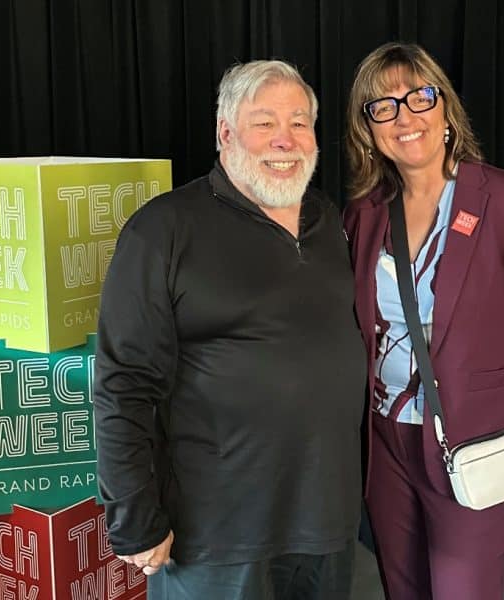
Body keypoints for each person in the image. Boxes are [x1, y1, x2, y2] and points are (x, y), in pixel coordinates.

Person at [94, 60, 367, 600]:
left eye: (299, 123)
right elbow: (124, 384)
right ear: (226, 132)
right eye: (265, 123)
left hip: (326, 522)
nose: (285, 140)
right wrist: (133, 516)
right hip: (216, 535)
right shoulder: (163, 230)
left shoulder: (328, 220)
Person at [343, 42, 504, 599]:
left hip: (475, 439)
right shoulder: (364, 213)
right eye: (383, 107)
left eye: (419, 97)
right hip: (385, 440)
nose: (404, 117)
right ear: (368, 129)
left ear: (445, 108)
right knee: (403, 588)